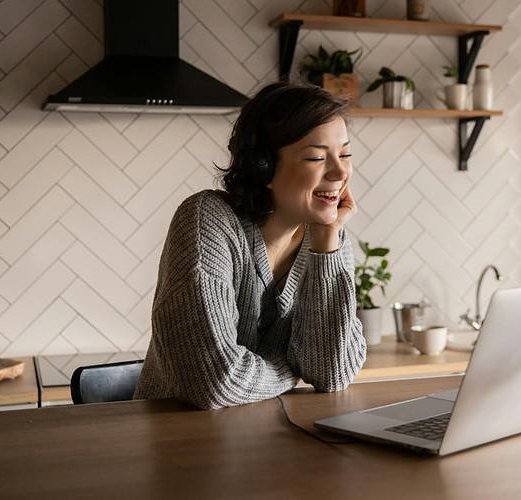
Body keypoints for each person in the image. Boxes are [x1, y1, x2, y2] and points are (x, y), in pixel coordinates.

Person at [133, 82, 367, 409]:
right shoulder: (208, 220)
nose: (340, 172)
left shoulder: (330, 240)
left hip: (268, 441)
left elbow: (331, 374)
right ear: (264, 167)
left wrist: (327, 246)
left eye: (345, 154)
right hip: (177, 441)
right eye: (316, 157)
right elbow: (215, 381)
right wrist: (291, 367)